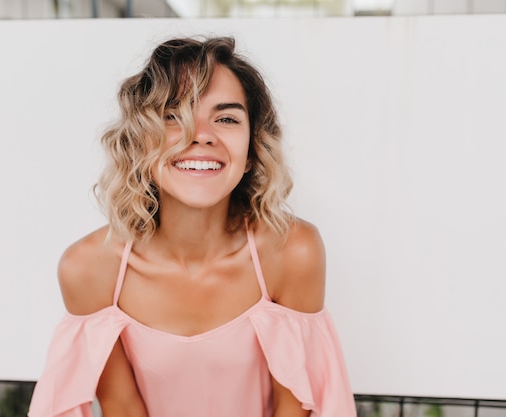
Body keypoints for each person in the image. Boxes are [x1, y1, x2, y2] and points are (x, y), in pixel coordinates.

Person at [28, 36, 356, 417]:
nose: (201, 134)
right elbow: (121, 407)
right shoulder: (88, 269)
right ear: (140, 142)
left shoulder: (293, 251)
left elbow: (295, 407)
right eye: (172, 116)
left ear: (250, 152)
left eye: (227, 118)